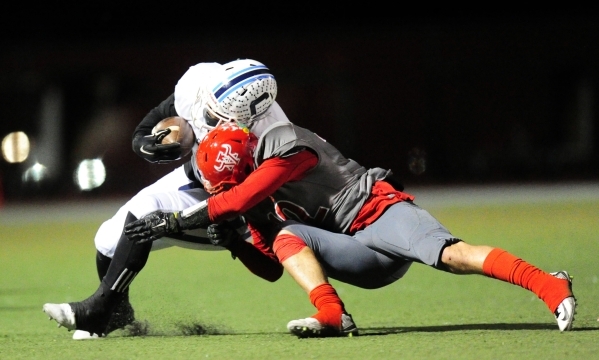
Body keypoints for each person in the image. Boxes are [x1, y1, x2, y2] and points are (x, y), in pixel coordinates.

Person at [124, 121, 577, 338]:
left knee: (452, 256)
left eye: (234, 179)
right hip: (360, 252)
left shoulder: (284, 144)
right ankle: (332, 315)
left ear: (245, 165)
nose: (234, 189)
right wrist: (236, 246)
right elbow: (272, 269)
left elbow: (237, 199)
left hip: (379, 212)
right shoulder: (256, 194)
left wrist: (181, 220)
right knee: (288, 237)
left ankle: (548, 283)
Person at [42, 58, 289, 339]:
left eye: (219, 118)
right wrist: (146, 144)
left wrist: (177, 221)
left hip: (239, 210)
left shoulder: (273, 136)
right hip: (195, 179)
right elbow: (147, 126)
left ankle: (100, 309)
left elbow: (247, 202)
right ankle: (118, 313)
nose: (208, 117)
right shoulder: (199, 82)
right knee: (108, 239)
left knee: (148, 209)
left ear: (248, 118)